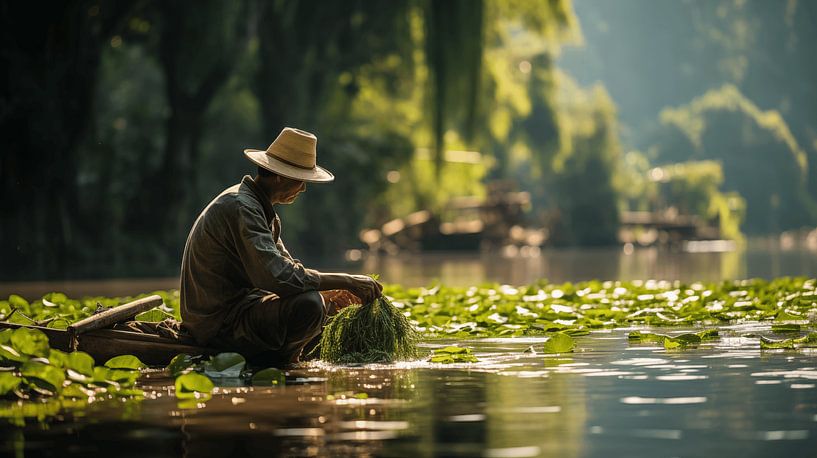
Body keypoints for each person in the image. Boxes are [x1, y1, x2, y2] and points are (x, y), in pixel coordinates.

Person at [179, 127, 382, 366]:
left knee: (324, 303)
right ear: (279, 176)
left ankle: (284, 356)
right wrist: (346, 280)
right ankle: (284, 361)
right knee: (310, 306)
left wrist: (329, 291)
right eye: (301, 181)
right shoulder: (242, 207)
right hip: (218, 324)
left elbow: (288, 269)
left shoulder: (261, 210)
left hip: (239, 311)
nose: (303, 188)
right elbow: (277, 277)